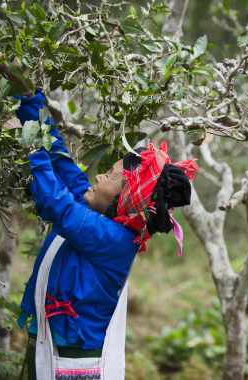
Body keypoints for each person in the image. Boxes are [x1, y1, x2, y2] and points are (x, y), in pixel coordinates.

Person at [15, 90, 198, 380]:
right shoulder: (98, 215)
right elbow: (62, 163)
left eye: (110, 176)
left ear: (125, 198)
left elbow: (55, 203)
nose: (98, 177)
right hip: (52, 344)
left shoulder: (114, 239)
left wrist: (32, 144)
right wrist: (30, 102)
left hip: (71, 361)